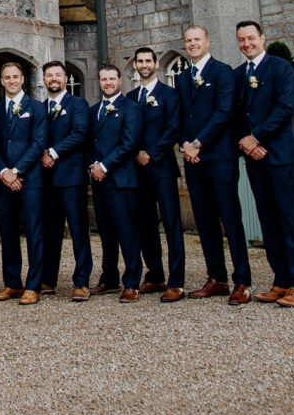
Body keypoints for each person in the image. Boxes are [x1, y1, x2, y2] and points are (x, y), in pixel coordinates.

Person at [234, 20, 294, 308]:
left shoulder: (280, 68)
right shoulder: (239, 74)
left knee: (288, 217)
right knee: (267, 218)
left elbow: (286, 107)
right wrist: (246, 143)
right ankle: (281, 279)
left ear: (262, 38)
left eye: (251, 38)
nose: (246, 44)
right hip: (255, 157)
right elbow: (236, 113)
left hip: (280, 155)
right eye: (241, 40)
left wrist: (256, 137)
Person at [179, 25, 251, 304]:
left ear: (208, 41)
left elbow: (224, 113)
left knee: (230, 219)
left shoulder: (223, 72)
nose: (193, 44)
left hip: (219, 156)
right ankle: (217, 278)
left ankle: (241, 280)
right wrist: (185, 144)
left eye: (197, 39)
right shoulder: (184, 77)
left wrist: (198, 143)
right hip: (193, 160)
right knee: (205, 220)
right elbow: (182, 114)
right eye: (188, 40)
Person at [125, 48, 185, 302]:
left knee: (171, 223)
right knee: (145, 223)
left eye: (148, 61)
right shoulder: (130, 97)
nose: (144, 65)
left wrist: (150, 152)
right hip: (137, 171)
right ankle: (155, 274)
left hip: (161, 167)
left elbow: (173, 128)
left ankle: (176, 280)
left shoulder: (169, 94)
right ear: (135, 66)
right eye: (140, 61)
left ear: (157, 64)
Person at [0, 61, 47, 305]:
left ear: (23, 79)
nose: (11, 80)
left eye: (15, 76)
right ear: (1, 81)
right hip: (4, 181)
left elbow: (38, 143)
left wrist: (16, 170)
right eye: (7, 77)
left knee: (33, 232)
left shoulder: (36, 107)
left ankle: (33, 286)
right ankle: (12, 283)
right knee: (8, 233)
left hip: (29, 179)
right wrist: (3, 171)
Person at [88, 65, 143, 301]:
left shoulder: (131, 108)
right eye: (103, 79)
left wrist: (105, 166)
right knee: (106, 232)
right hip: (99, 181)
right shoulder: (93, 110)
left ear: (120, 80)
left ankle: (132, 282)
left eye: (112, 78)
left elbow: (129, 143)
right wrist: (93, 165)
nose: (108, 82)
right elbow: (89, 142)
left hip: (121, 180)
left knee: (126, 231)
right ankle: (109, 277)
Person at [40, 61, 92, 301]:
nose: (54, 79)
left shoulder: (78, 104)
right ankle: (48, 279)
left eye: (58, 75)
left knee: (78, 230)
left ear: (66, 78)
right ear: (43, 80)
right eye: (49, 75)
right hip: (46, 180)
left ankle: (81, 281)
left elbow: (80, 133)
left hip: (71, 178)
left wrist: (53, 152)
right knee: (50, 231)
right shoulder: (41, 108)